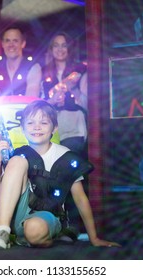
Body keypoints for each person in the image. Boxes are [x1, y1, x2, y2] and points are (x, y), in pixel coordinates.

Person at [0, 100, 120, 249]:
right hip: (17, 217)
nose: (37, 127)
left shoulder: (65, 157)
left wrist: (94, 238)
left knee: (34, 229)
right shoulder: (18, 156)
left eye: (44, 123)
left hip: (46, 217)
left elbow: (80, 199)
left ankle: (45, 239)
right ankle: (2, 231)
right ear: (22, 128)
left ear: (54, 128)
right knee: (13, 163)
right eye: (30, 123)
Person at [42, 32, 89, 241]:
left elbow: (89, 100)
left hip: (74, 127)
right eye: (56, 45)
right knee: (54, 177)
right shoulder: (44, 73)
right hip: (53, 130)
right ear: (51, 49)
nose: (60, 49)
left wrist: (73, 97)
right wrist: (52, 102)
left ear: (69, 48)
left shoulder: (80, 70)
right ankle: (60, 225)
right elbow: (39, 102)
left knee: (73, 176)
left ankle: (77, 225)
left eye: (64, 45)